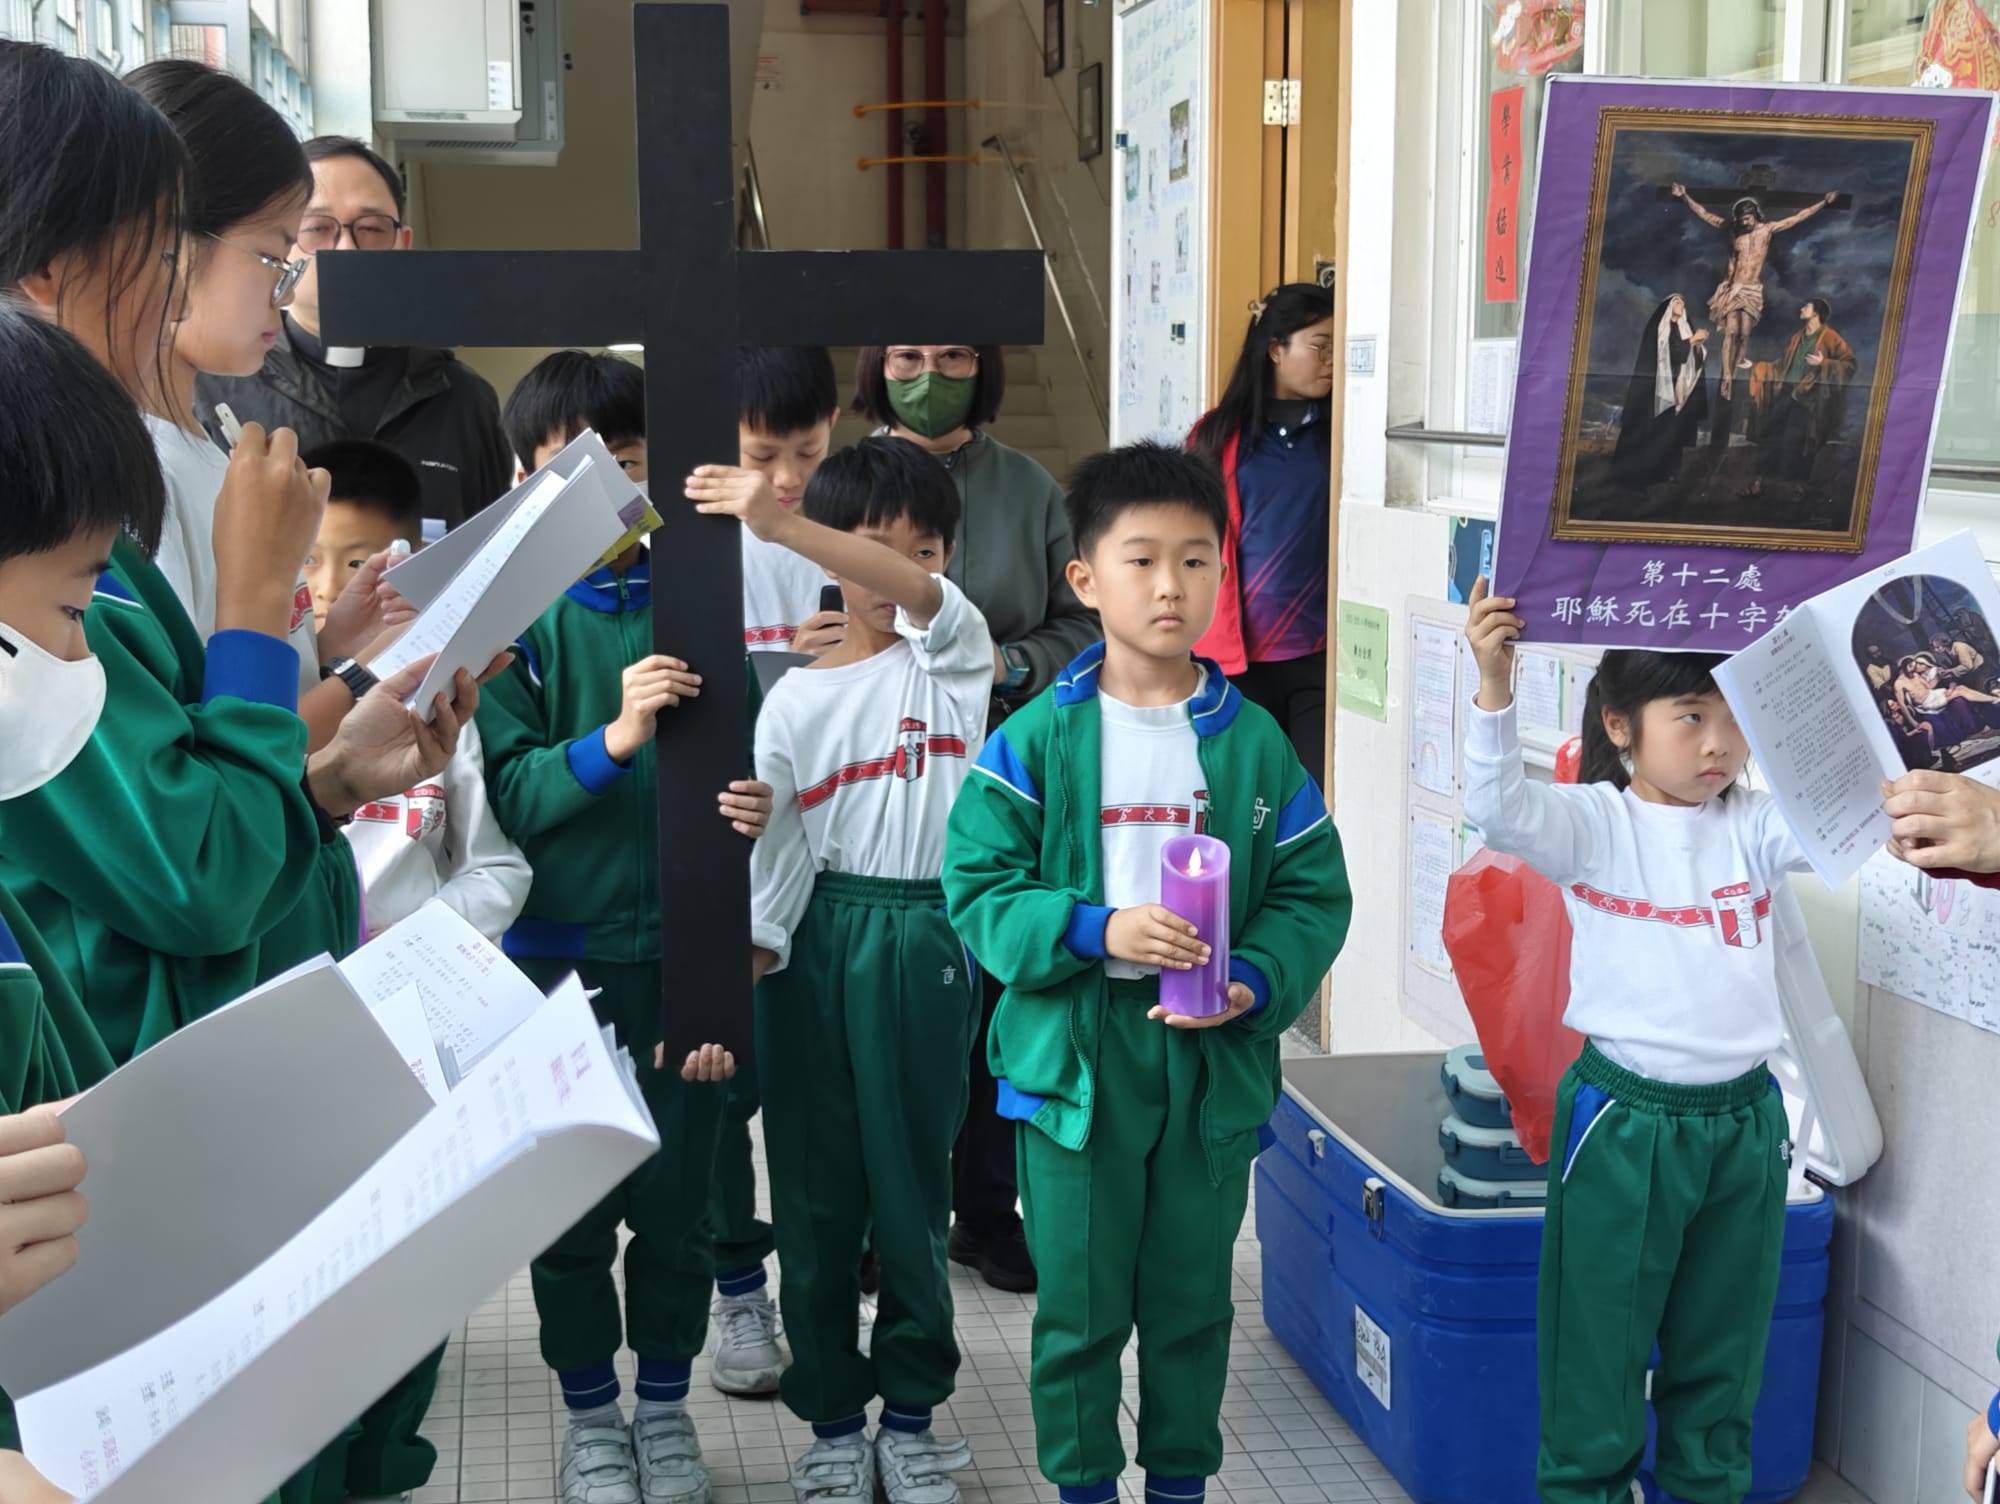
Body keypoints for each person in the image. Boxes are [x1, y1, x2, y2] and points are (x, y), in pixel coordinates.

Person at [942, 442, 1351, 1504]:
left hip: (1210, 1059)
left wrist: (1253, 979)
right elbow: (977, 888)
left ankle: (1178, 1485)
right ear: (1084, 578)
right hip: (1075, 1065)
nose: (1171, 586)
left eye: (1195, 560)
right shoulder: (1035, 738)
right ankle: (1083, 1486)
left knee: (1191, 1303)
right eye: (1141, 560)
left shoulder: (1254, 743)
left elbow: (1312, 893)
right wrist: (1096, 928)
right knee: (1078, 1309)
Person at [478, 350, 773, 1504]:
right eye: (570, 471)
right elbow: (508, 793)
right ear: (523, 480)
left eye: (628, 465)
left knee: (678, 1203)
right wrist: (611, 739)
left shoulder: (701, 598)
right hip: (556, 965)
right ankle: (591, 1419)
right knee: (567, 1211)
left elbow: (752, 757)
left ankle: (662, 1410)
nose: (605, 493)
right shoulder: (510, 626)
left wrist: (755, 805)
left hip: (684, 958)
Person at [687, 439, 991, 1504]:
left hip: (923, 933)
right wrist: (739, 976)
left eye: (924, 550)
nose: (900, 570)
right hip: (815, 946)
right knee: (815, 1195)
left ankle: (908, 1418)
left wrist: (779, 525)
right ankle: (830, 1423)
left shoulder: (953, 660)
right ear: (828, 558)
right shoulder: (793, 702)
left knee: (910, 1191)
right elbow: (778, 867)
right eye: (871, 549)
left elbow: (918, 595)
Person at [1464, 580, 1813, 1504]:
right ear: (1620, 725)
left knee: (1723, 1362)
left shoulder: (1754, 826)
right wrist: (1494, 685)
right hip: (1623, 1122)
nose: (1717, 745)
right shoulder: (1594, 823)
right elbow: (1498, 810)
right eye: (1691, 716)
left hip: (1744, 1125)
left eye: (1734, 719)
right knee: (1596, 1355)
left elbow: (1841, 819)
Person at [853, 340, 1097, 1294]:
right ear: (877, 366)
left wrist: (1010, 664)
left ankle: (987, 1211)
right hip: (877, 768)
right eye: (907, 356)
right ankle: (886, 1214)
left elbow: (1082, 620)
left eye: (953, 355)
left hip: (1003, 765)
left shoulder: (1029, 487)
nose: (929, 375)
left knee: (998, 989)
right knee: (896, 1011)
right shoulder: (848, 480)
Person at [125, 61, 414, 753]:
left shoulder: (206, 445)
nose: (285, 292)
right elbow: (207, 759)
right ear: (172, 246)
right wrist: (364, 675)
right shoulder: (132, 477)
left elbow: (233, 679)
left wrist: (326, 644)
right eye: (274, 255)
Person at [194, 135, 512, 529]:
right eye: (316, 228)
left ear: (403, 245)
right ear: (283, 244)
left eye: (373, 229)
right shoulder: (219, 389)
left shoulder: (463, 399)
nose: (346, 249)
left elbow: (492, 544)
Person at [306, 438, 532, 943]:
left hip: (411, 977)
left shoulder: (437, 706)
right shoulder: (258, 708)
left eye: (356, 563)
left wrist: (414, 938)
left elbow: (496, 869)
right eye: (307, 559)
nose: (328, 587)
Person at [1188, 282, 1336, 779]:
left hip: (1319, 655)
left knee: (1313, 796)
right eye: (1320, 346)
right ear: (1276, 349)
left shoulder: (1340, 436)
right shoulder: (1215, 437)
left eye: (1337, 348)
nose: (1331, 361)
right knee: (1246, 797)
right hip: (1237, 661)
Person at [1671, 187, 1837, 400]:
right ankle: (1728, 376)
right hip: (1733, 287)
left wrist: (1824, 202)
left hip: (1752, 290)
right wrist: (1684, 196)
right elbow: (1705, 215)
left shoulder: (1767, 230)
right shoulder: (1734, 230)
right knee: (1731, 332)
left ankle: (1737, 365)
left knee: (1744, 333)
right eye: (1741, 220)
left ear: (1756, 215)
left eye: (1748, 219)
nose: (1745, 223)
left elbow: (1798, 217)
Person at [738, 344, 846, 658]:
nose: (788, 478)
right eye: (762, 456)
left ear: (832, 422)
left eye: (809, 451)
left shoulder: (856, 536)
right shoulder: (696, 545)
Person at [1748, 298, 1855, 501]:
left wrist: (1824, 362)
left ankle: (1798, 486)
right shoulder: (1796, 338)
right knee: (1770, 434)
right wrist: (1755, 366)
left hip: (1809, 398)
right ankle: (1759, 481)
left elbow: (1850, 365)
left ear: (1816, 313)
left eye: (1806, 307)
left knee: (1800, 441)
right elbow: (1782, 365)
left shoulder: (1831, 338)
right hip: (1786, 393)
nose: (1801, 309)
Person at [1610, 294, 1710, 489]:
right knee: (1652, 430)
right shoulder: (1661, 329)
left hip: (1677, 388)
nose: (1681, 304)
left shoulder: (1684, 328)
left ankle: (1667, 472)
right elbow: (1670, 353)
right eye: (1677, 301)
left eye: (1683, 302)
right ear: (1668, 307)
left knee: (1672, 430)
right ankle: (1641, 474)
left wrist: (1698, 346)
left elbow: (1692, 360)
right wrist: (1692, 340)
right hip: (1657, 389)